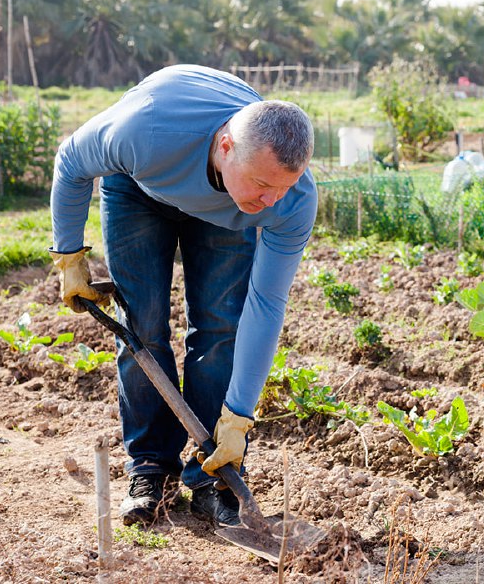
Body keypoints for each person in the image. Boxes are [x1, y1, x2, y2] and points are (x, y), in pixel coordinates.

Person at [49, 64, 317, 527]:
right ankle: (150, 466)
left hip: (225, 212)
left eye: (284, 187)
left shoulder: (287, 201)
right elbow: (71, 161)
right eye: (263, 183)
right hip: (140, 186)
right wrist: (70, 256)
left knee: (219, 327)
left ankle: (211, 475)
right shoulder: (146, 129)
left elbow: (267, 304)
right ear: (227, 145)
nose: (272, 199)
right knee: (143, 326)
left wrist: (238, 417)